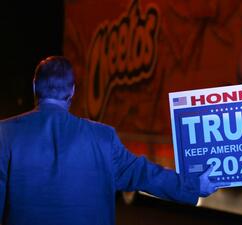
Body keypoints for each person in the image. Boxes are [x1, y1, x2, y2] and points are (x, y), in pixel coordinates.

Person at [0, 56, 227, 225]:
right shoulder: (102, 138)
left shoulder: (5, 134)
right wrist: (194, 185)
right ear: (72, 91)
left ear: (34, 87)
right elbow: (144, 174)